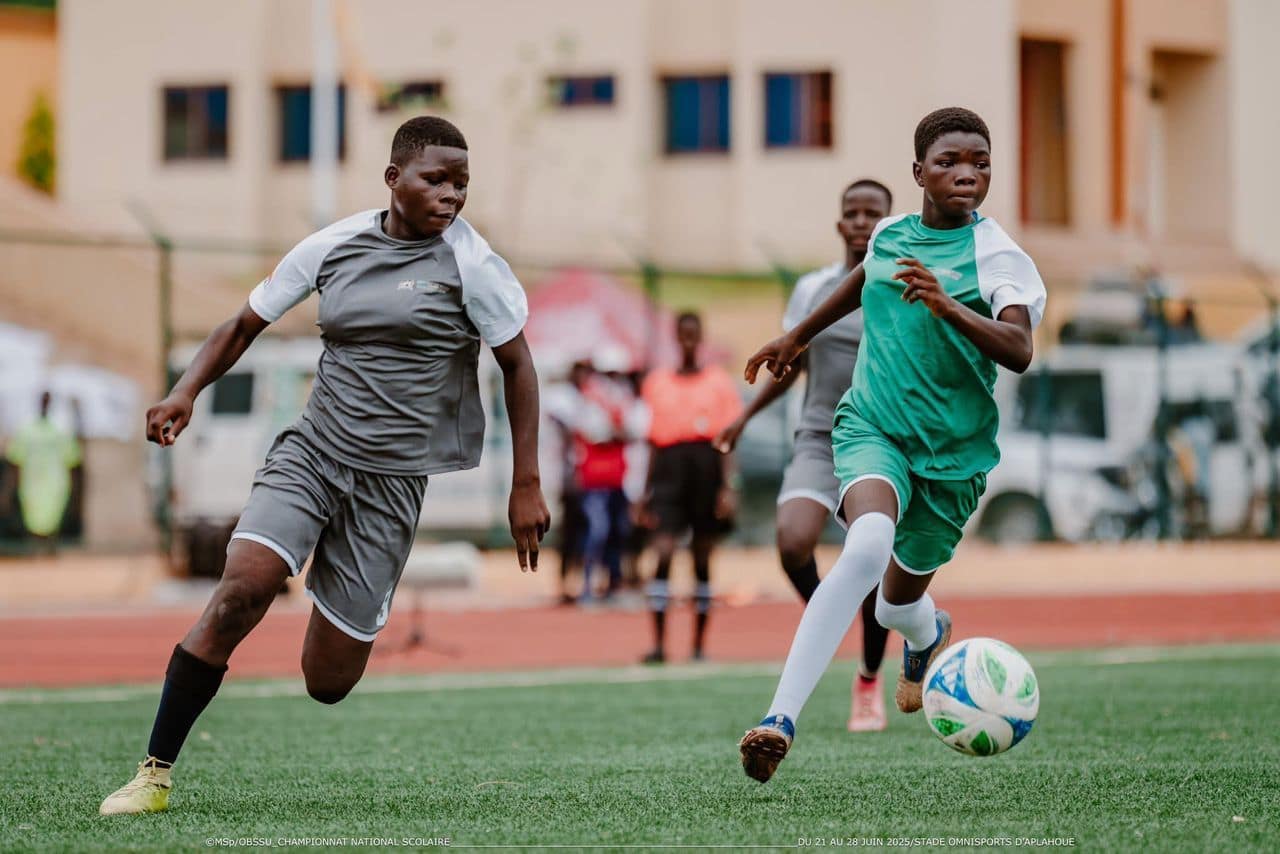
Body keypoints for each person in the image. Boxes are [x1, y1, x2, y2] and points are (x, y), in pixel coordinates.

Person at [99, 116, 550, 815]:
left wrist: (526, 481)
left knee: (328, 681)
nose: (452, 195)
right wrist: (185, 390)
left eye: (462, 183)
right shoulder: (334, 244)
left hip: (392, 483)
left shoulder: (474, 265)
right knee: (241, 590)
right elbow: (243, 323)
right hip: (314, 452)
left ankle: (331, 580)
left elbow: (518, 365)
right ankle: (153, 774)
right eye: (437, 179)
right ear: (393, 178)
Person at [737, 107, 1046, 782]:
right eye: (949, 163)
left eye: (980, 163)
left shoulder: (997, 256)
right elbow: (864, 278)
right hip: (872, 427)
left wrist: (949, 307)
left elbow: (1020, 349)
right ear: (919, 173)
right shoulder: (891, 235)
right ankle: (779, 719)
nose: (967, 174)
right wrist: (798, 337)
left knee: (897, 604)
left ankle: (928, 636)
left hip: (955, 458)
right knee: (867, 543)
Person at [715, 178, 894, 732]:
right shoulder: (814, 288)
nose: (862, 222)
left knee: (874, 563)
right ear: (840, 224)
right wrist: (744, 417)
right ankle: (828, 613)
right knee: (793, 542)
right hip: (819, 436)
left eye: (874, 214)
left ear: (890, 223)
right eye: (853, 213)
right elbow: (789, 361)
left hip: (882, 439)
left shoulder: (900, 286)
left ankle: (868, 677)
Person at [636, 312, 743, 663]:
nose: (688, 341)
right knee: (663, 551)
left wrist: (728, 487)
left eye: (693, 335)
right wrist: (643, 491)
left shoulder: (718, 382)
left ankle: (698, 645)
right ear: (674, 337)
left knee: (701, 556)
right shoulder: (657, 383)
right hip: (669, 468)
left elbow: (727, 439)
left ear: (701, 338)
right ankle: (659, 644)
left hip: (706, 467)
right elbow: (651, 441)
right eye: (682, 335)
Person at [2, 390, 82, 553]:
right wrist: (8, 490)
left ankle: (49, 550)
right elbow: (15, 460)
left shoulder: (60, 432)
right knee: (33, 516)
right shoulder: (26, 431)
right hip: (31, 482)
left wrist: (75, 489)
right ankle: (35, 550)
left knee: (52, 515)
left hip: (55, 482)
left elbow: (72, 460)